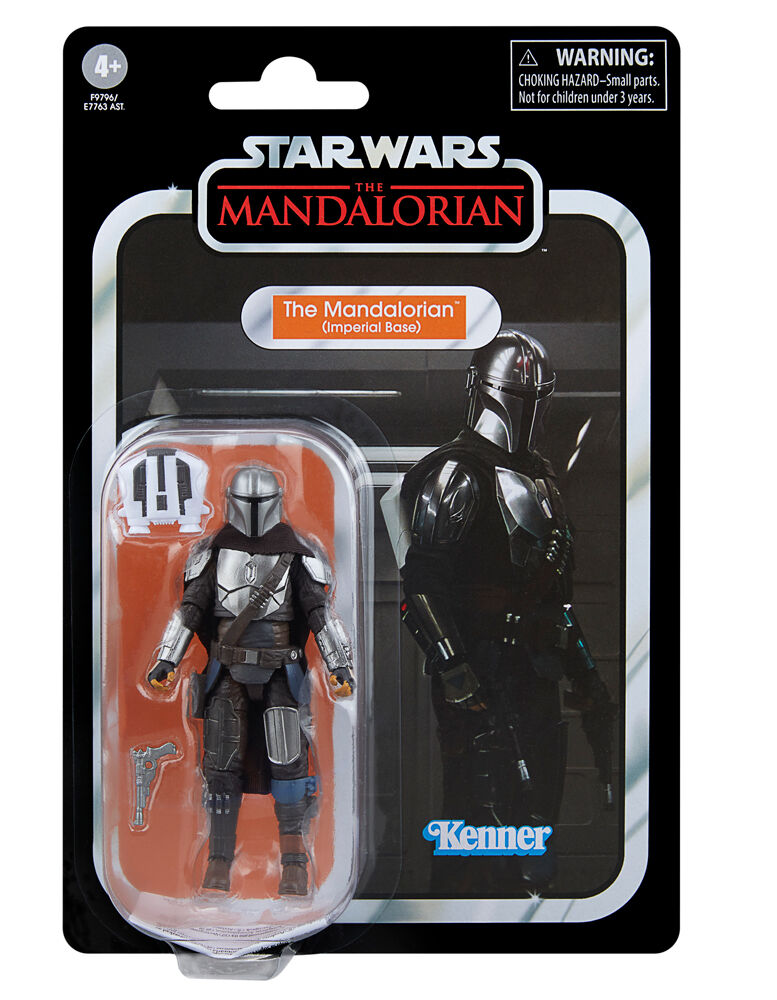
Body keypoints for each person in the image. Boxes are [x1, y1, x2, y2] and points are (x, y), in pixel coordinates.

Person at [385, 330, 615, 893]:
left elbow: (554, 600)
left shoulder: (543, 478)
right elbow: (423, 585)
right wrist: (454, 667)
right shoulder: (456, 473)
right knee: (478, 818)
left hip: (536, 674)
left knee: (537, 820)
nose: (529, 408)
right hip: (481, 678)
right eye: (521, 394)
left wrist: (586, 676)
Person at [146, 464, 354, 895]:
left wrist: (339, 666)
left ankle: (294, 863)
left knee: (289, 762)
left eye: (261, 503)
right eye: (247, 503)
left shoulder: (298, 554)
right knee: (221, 765)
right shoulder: (211, 553)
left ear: (276, 501)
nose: (254, 511)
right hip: (228, 672)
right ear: (232, 503)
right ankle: (218, 861)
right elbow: (191, 610)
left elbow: (319, 613)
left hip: (281, 671)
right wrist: (167, 658)